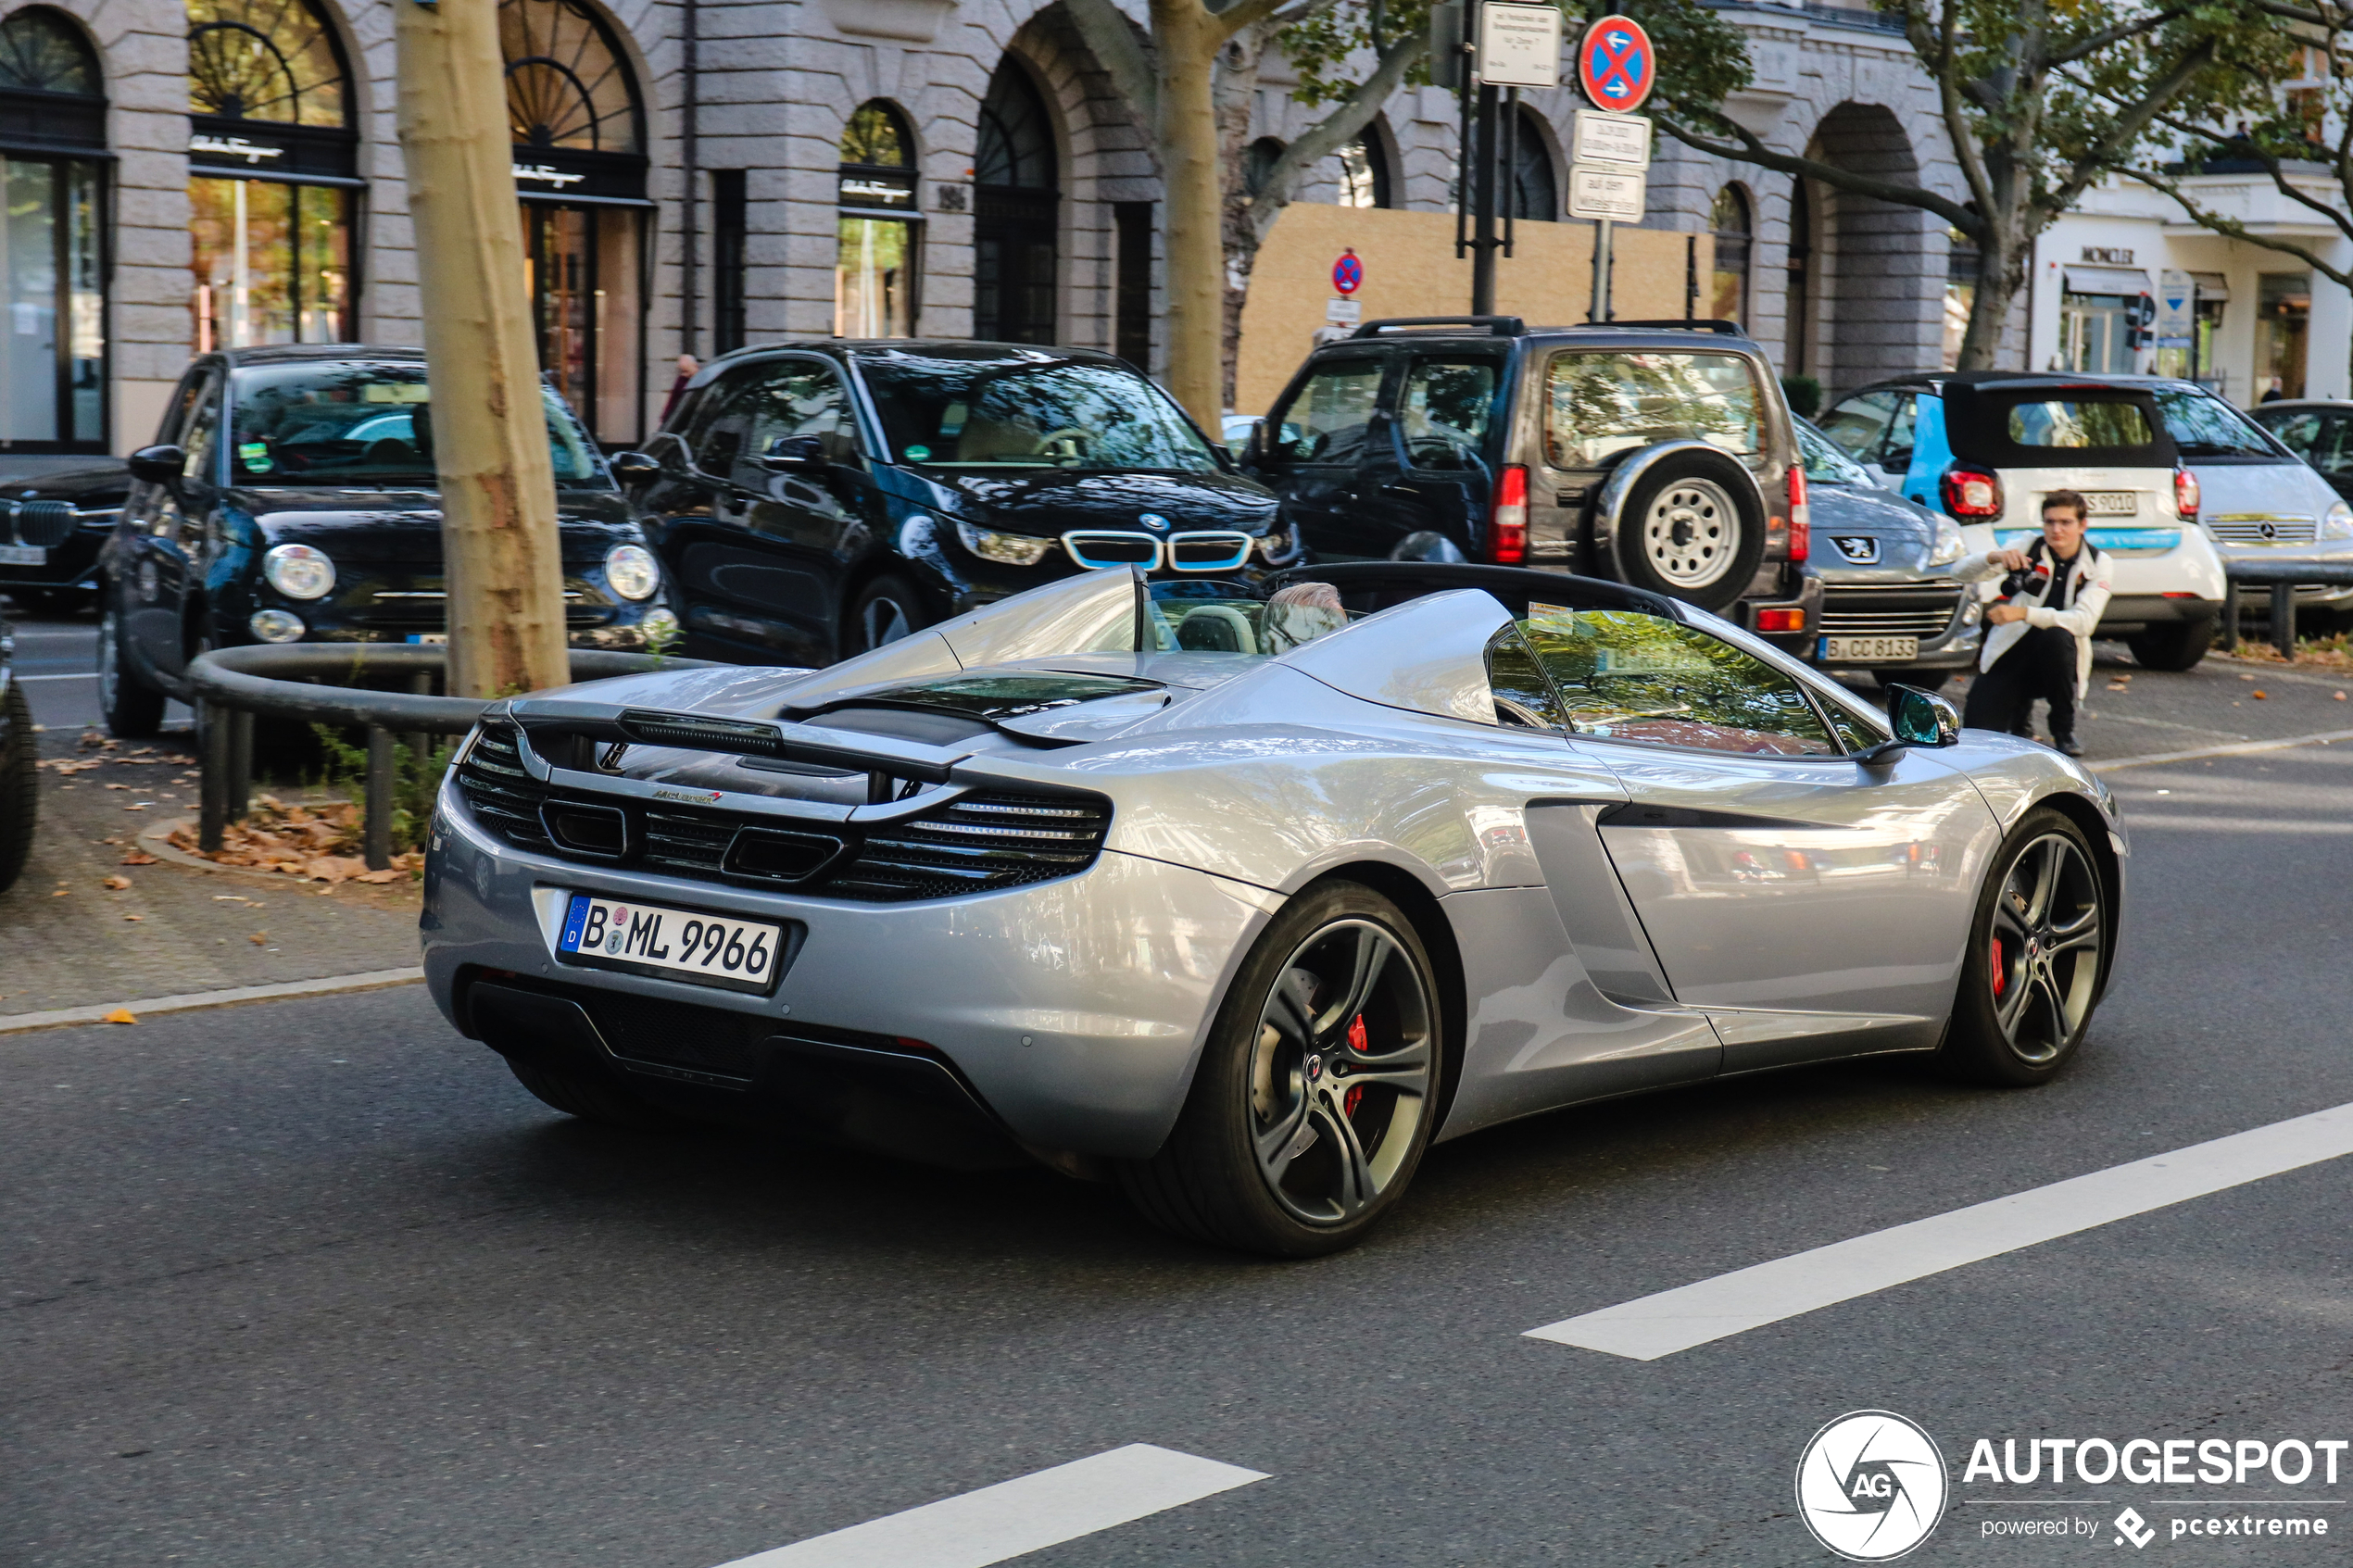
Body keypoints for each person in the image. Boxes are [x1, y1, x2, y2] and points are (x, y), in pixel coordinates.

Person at [1953, 489, 2113, 758]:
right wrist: (1994, 557)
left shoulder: (2098, 563)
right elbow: (1957, 572)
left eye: (2066, 522)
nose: (2056, 530)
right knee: (1977, 737)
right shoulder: (2029, 545)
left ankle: (2063, 729)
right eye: (2050, 522)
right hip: (2012, 651)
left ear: (2082, 525)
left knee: (2057, 637)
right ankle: (2019, 713)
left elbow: (2084, 622)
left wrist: (2024, 614)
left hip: (2056, 661)